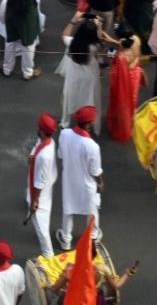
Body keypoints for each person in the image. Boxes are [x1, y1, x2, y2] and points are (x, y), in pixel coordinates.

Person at [56, 104, 102, 250]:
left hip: (69, 181)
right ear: (88, 125)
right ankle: (93, 236)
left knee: (68, 209)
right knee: (92, 210)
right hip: (87, 185)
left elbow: (61, 155)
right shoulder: (92, 146)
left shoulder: (64, 134)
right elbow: (95, 171)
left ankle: (66, 238)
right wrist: (100, 184)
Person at [0, 0, 44, 80]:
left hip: (12, 15)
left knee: (10, 42)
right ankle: (27, 72)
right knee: (28, 44)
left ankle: (7, 69)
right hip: (27, 18)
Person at [26, 112, 57, 257]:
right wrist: (32, 156)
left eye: (39, 127)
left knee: (40, 225)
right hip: (43, 187)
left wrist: (35, 201)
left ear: (43, 131)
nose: (37, 129)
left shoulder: (44, 156)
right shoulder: (47, 142)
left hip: (40, 193)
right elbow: (36, 147)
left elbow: (39, 182)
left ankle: (48, 255)